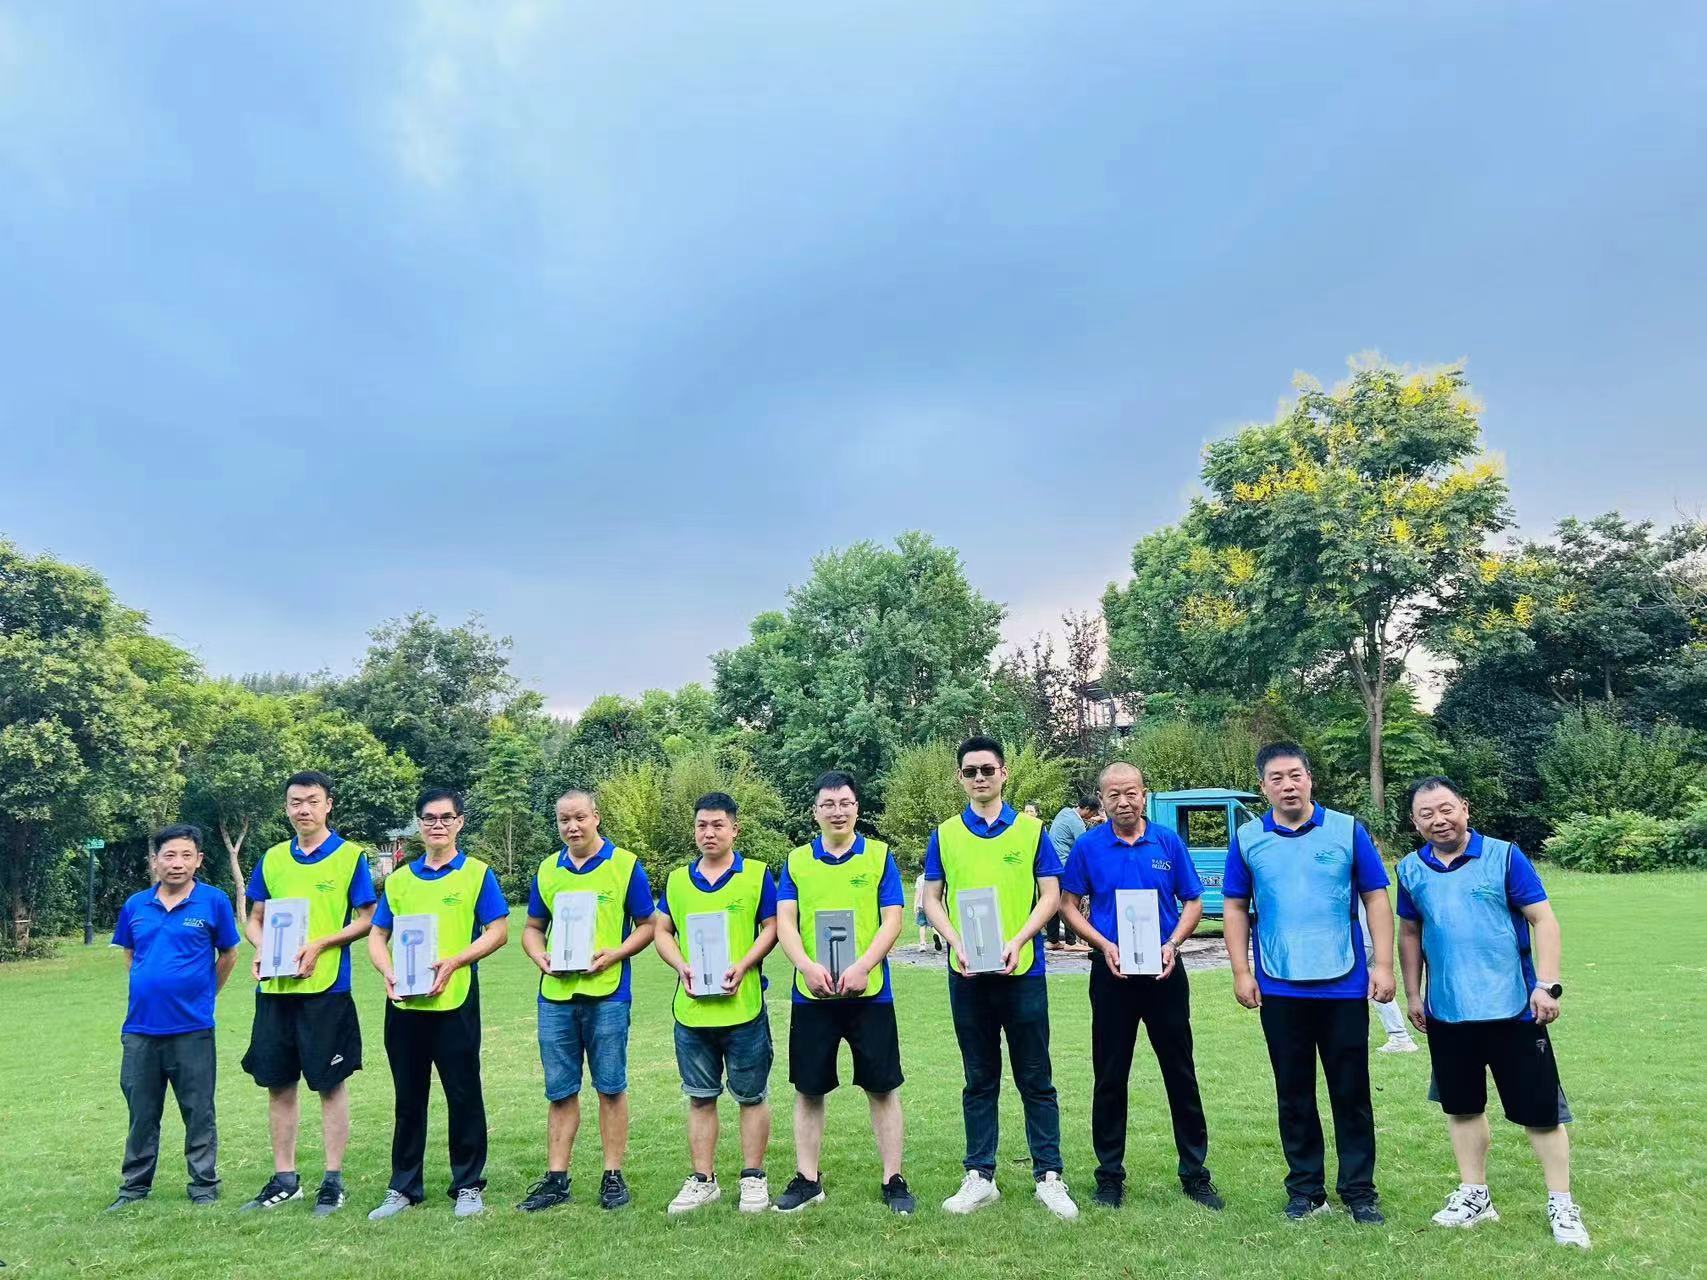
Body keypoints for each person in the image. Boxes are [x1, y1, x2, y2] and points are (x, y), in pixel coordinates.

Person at [1397, 776, 1589, 1250]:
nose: (1439, 820)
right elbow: (1410, 934)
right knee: (1462, 1107)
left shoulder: (1504, 856)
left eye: (1446, 809)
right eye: (1426, 814)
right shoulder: (1410, 870)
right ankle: (1475, 1195)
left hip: (1514, 1010)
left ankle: (1562, 1204)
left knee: (1540, 1112)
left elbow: (1543, 919)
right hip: (1448, 1012)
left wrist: (1546, 985)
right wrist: (1414, 995)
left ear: (1465, 808)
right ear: (1416, 823)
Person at [1222, 742, 1394, 1224]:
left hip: (1343, 983)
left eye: (1295, 775)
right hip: (1280, 986)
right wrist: (1241, 971)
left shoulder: (1347, 830)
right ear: (1263, 787)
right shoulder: (1248, 838)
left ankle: (1359, 1191)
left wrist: (1383, 965)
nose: (1288, 785)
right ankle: (1305, 1190)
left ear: (1310, 778)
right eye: (1276, 778)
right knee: (1294, 1093)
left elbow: (1376, 898)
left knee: (1351, 1091)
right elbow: (1235, 907)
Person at [922, 735, 1079, 1220]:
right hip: (967, 973)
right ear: (960, 778)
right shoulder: (945, 834)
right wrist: (955, 940)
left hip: (1022, 971)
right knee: (979, 1078)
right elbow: (931, 899)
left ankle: (1049, 1176)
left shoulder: (1032, 831)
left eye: (987, 769)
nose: (979, 778)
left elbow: (1050, 895)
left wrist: (1020, 939)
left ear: (1004, 772)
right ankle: (980, 1176)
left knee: (1036, 1076)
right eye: (970, 771)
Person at [1059, 763, 1222, 1212]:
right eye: (1113, 795)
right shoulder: (1089, 846)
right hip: (1110, 973)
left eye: (1131, 792)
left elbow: (1193, 901)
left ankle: (1195, 1174)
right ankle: (1109, 1176)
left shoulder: (1167, 842)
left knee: (1180, 1072)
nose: (1123, 801)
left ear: (1144, 794)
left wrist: (1173, 944)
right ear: (1101, 800)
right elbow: (1068, 904)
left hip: (1165, 972)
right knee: (1110, 1075)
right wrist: (1103, 944)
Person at [773, 771, 915, 1214]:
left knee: (882, 1087)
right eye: (828, 804)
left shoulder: (879, 856)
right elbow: (785, 921)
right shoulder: (797, 861)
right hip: (812, 994)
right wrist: (806, 966)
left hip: (870, 994)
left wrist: (863, 966)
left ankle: (893, 1179)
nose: (837, 811)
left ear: (857, 808)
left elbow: (893, 919)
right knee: (809, 1089)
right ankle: (807, 1179)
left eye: (845, 803)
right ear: (815, 811)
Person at [365, 788, 509, 1220]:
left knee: (463, 1095)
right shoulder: (399, 880)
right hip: (404, 1005)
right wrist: (387, 971)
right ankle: (403, 1187)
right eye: (429, 818)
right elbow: (377, 935)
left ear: (459, 822)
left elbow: (498, 931)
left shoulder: (477, 874)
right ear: (419, 824)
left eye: (446, 817)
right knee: (408, 1098)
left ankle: (468, 1185)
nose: (438, 825)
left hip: (454, 1002)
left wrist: (456, 961)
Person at [238, 771, 377, 1215]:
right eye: (296, 802)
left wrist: (320, 944)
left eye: (313, 801)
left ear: (328, 805)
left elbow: (368, 918)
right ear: (286, 808)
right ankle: (285, 1178)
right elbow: (255, 918)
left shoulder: (350, 857)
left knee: (330, 1084)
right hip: (276, 990)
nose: (304, 809)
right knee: (278, 1084)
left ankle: (332, 1181)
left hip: (326, 989)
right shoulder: (273, 858)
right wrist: (262, 948)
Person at [516, 789, 656, 1213]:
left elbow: (648, 924)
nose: (572, 827)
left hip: (608, 994)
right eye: (564, 820)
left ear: (596, 817)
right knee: (560, 1091)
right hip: (556, 997)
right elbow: (532, 927)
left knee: (610, 1087)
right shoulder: (548, 869)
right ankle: (556, 1179)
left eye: (579, 817)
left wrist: (616, 953)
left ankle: (612, 1175)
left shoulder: (625, 865)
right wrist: (539, 956)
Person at [653, 792, 779, 1214]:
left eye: (718, 825)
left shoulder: (756, 875)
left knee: (751, 1096)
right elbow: (662, 931)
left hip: (744, 1009)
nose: (709, 833)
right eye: (701, 825)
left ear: (734, 829)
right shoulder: (677, 880)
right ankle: (703, 1180)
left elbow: (772, 927)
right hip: (692, 1012)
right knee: (700, 1097)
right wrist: (681, 966)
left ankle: (753, 1178)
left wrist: (744, 965)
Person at [108, 826, 241, 1210]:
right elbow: (130, 954)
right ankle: (133, 1188)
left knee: (198, 1111)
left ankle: (203, 1186)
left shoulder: (213, 902)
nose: (177, 863)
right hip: (140, 1029)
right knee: (141, 1113)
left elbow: (229, 954)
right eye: (169, 855)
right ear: (155, 861)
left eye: (186, 855)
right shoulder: (136, 905)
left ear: (199, 860)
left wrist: (205, 994)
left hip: (193, 1028)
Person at [1362, 898, 1418, 1054]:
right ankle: (1399, 1036)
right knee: (1376, 986)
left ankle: (1399, 1037)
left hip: (1361, 936)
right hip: (1370, 936)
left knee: (1365, 986)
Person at [1046, 794, 1102, 948]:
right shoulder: (1077, 823)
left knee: (1054, 902)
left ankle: (1052, 940)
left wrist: (1092, 820)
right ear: (1088, 809)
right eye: (1093, 813)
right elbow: (1085, 846)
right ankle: (1071, 942)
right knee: (1069, 902)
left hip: (1053, 865)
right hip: (1065, 865)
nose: (1093, 816)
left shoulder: (1064, 812)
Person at [914, 871, 941, 951]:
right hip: (931, 905)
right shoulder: (933, 877)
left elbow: (918, 892)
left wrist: (915, 904)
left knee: (922, 925)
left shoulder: (920, 878)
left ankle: (922, 944)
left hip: (921, 905)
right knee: (934, 925)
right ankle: (938, 938)